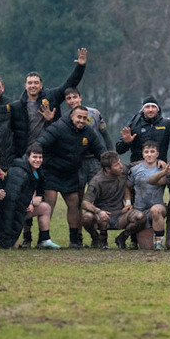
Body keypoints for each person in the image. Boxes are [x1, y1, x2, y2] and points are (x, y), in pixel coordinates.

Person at [37, 105, 106, 248]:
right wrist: (39, 162)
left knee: (74, 203)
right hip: (52, 170)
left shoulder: (88, 132)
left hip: (70, 172)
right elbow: (39, 145)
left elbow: (100, 151)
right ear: (71, 116)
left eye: (84, 118)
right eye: (78, 117)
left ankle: (74, 240)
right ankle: (43, 238)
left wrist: (110, 163)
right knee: (50, 200)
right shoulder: (58, 128)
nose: (81, 120)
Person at [11, 48, 88, 157]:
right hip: (26, 152)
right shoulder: (17, 106)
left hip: (49, 150)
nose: (33, 86)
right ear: (25, 86)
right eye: (30, 83)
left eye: (36, 83)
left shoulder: (52, 96)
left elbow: (70, 84)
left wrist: (80, 67)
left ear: (41, 85)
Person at [0, 144, 54, 249]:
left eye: (40, 157)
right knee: (12, 247)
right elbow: (10, 201)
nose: (38, 160)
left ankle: (44, 240)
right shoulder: (19, 172)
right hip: (7, 213)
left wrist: (36, 198)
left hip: (23, 209)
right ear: (28, 157)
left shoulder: (38, 171)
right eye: (34, 157)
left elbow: (40, 188)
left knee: (45, 207)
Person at [82, 151, 146, 249]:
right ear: (107, 169)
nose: (120, 166)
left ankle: (122, 238)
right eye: (116, 165)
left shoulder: (122, 170)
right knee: (87, 217)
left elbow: (138, 163)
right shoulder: (97, 181)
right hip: (102, 216)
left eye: (120, 163)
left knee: (140, 216)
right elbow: (85, 203)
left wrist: (158, 161)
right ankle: (97, 238)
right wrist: (99, 211)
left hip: (120, 214)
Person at [126, 141, 168, 250]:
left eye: (152, 152)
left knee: (155, 210)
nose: (149, 154)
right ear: (143, 154)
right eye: (146, 152)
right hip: (141, 210)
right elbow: (127, 186)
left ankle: (159, 243)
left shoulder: (163, 169)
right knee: (147, 247)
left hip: (157, 207)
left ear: (157, 154)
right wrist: (128, 202)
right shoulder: (135, 170)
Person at [116, 95, 170, 163]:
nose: (150, 110)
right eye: (147, 107)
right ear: (143, 109)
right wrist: (126, 143)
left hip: (160, 166)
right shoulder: (134, 125)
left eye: (153, 107)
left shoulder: (167, 124)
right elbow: (119, 150)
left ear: (158, 109)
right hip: (138, 167)